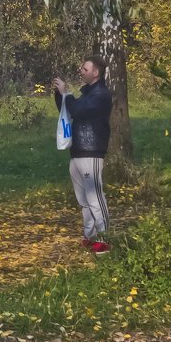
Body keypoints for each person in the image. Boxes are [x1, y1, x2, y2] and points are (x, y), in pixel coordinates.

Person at [53, 56, 113, 255]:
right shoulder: (87, 94)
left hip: (91, 152)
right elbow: (69, 110)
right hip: (77, 151)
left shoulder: (101, 95)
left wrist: (67, 95)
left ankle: (105, 239)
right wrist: (60, 94)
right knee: (83, 200)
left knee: (95, 196)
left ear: (95, 73)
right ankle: (89, 236)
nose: (81, 70)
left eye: (85, 68)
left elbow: (78, 110)